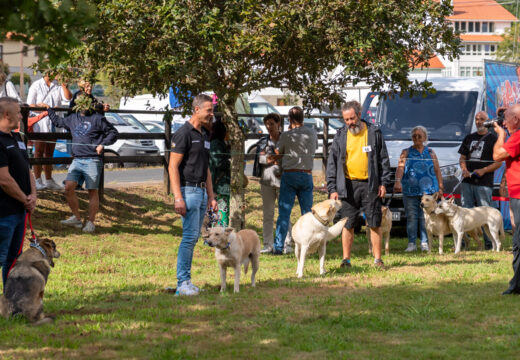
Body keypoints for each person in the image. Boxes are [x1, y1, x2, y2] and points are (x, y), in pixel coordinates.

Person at [327, 100, 391, 269]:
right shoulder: (340, 135)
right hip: (347, 186)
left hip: (370, 185)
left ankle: (378, 260)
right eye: (346, 119)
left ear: (359, 114)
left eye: (352, 118)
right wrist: (332, 188)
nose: (350, 122)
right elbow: (332, 163)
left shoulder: (374, 132)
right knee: (348, 224)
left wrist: (383, 183)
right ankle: (346, 260)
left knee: (374, 223)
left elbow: (383, 160)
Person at [45, 94, 118, 233]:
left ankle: (90, 222)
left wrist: (102, 144)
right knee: (68, 187)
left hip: (92, 159)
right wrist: (49, 110)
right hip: (77, 159)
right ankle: (77, 218)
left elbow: (113, 133)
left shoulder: (98, 118)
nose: (82, 104)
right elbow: (59, 122)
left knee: (92, 191)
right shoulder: (73, 118)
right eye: (79, 101)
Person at [169, 94, 218, 296]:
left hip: (201, 193)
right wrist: (178, 197)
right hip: (188, 192)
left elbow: (206, 168)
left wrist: (212, 196)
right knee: (189, 238)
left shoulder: (204, 135)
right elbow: (173, 167)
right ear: (196, 109)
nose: (211, 114)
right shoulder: (183, 133)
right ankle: (183, 283)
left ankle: (187, 281)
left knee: (194, 237)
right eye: (209, 110)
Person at [0, 97, 37, 287]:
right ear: (6, 114)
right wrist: (25, 199)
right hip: (4, 212)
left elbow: (26, 169)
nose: (21, 117)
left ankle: (9, 301)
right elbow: (4, 179)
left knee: (13, 259)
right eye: (18, 113)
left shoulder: (17, 138)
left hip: (20, 211)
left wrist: (33, 196)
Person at [272, 106, 317, 255]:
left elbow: (279, 152)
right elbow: (314, 149)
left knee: (284, 213)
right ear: (303, 118)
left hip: (290, 174)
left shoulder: (286, 135)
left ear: (290, 119)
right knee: (307, 213)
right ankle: (310, 245)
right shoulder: (312, 133)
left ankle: (278, 246)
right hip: (306, 174)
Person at [394, 126, 443, 252]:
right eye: (414, 136)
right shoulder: (406, 152)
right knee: (411, 217)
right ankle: (411, 243)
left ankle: (424, 242)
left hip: (429, 192)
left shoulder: (431, 152)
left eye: (419, 136)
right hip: (410, 191)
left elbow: (437, 170)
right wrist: (398, 181)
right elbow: (400, 168)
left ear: (425, 138)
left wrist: (440, 186)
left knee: (425, 218)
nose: (416, 138)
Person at [458, 111, 502, 250]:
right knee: (465, 213)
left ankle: (489, 244)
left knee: (485, 214)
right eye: (477, 119)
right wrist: (464, 169)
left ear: (487, 121)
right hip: (467, 182)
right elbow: (462, 158)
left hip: (484, 183)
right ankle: (465, 243)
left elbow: (499, 162)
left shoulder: (493, 139)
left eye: (482, 119)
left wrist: (484, 170)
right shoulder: (469, 138)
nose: (478, 122)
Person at [252, 113, 293, 254]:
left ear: (278, 124)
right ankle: (268, 244)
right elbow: (261, 160)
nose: (269, 127)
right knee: (268, 214)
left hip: (284, 181)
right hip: (267, 181)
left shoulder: (286, 139)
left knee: (284, 213)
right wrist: (276, 158)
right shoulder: (263, 141)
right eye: (267, 124)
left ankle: (287, 243)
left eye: (272, 124)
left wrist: (272, 158)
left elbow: (289, 158)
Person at [26, 72, 72, 190]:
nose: (56, 73)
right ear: (47, 72)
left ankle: (48, 179)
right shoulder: (36, 85)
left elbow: (68, 97)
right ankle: (37, 180)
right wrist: (42, 107)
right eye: (53, 70)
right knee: (39, 152)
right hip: (40, 122)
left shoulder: (58, 85)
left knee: (50, 153)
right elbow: (30, 104)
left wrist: (64, 84)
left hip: (53, 121)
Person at [493, 104, 520, 295]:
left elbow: (497, 155)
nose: (503, 122)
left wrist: (500, 135)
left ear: (516, 120)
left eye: (507, 118)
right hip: (516, 194)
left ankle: (516, 285)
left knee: (519, 242)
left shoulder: (517, 136)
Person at [208, 119, 230, 227]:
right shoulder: (217, 144)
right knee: (221, 212)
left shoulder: (219, 143)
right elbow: (217, 163)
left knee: (219, 212)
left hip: (218, 184)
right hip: (220, 185)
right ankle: (218, 237)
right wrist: (231, 162)